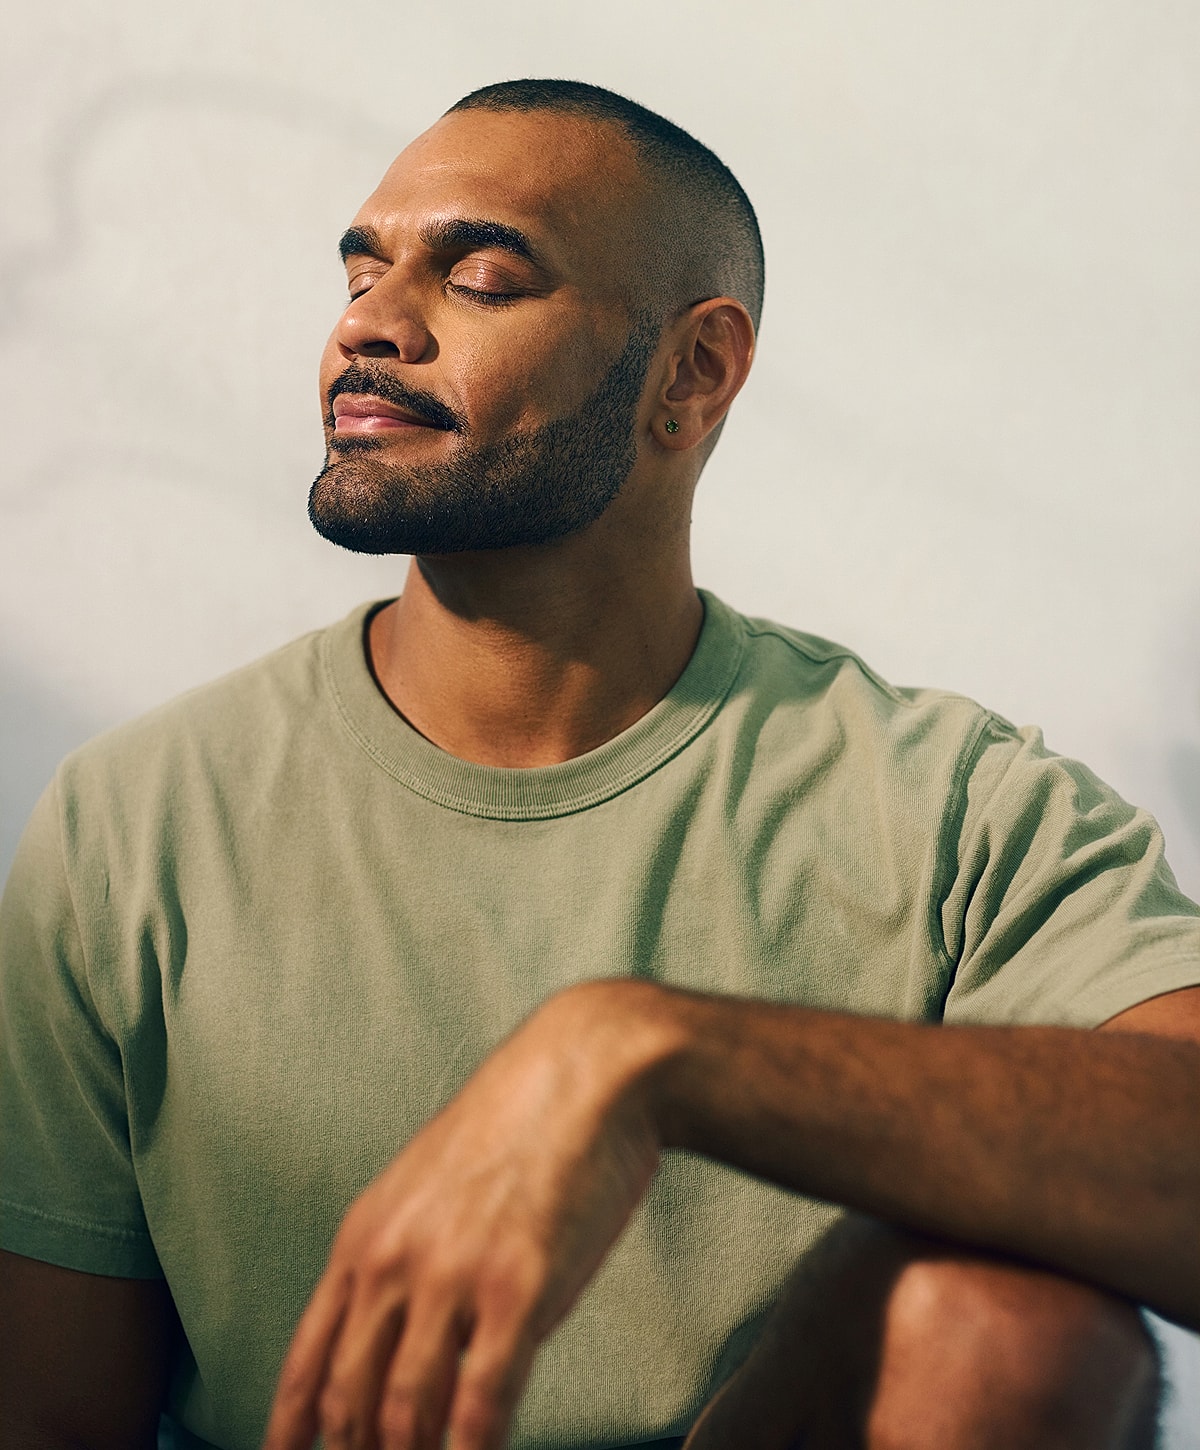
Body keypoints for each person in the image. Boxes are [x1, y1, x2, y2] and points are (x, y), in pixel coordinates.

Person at [1, 78, 1198, 1450]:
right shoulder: (131, 824)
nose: (369, 325)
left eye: (483, 276)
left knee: (1014, 1325)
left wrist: (646, 1053)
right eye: (361, 269)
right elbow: (50, 1413)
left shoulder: (951, 809)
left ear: (692, 373)